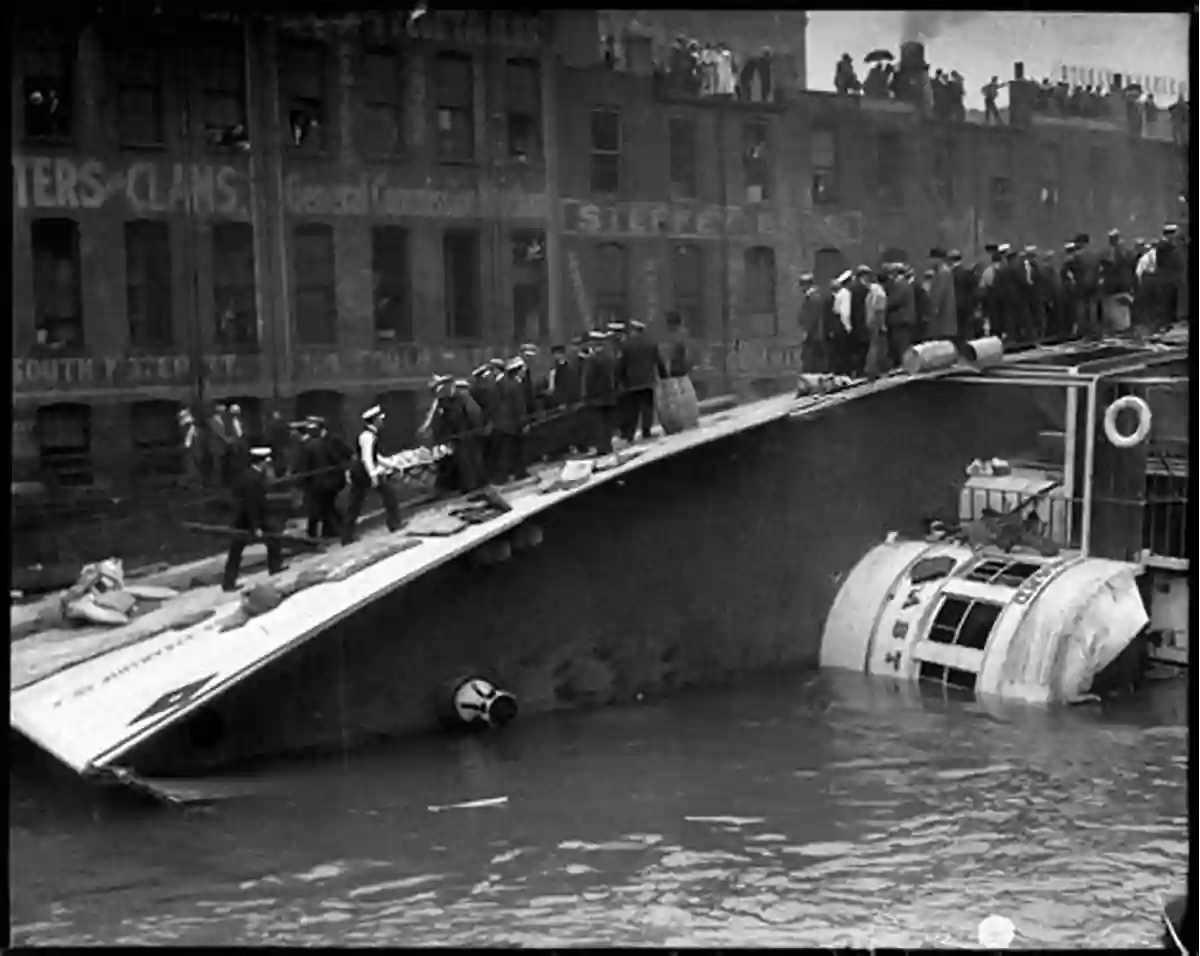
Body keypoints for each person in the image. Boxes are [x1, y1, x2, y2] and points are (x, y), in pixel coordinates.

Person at [221, 446, 284, 592]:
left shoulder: (248, 475)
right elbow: (252, 504)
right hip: (246, 519)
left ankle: (229, 582)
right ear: (262, 462)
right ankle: (229, 582)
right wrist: (255, 526)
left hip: (245, 517)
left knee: (272, 538)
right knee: (237, 550)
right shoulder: (253, 479)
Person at [341, 404, 402, 545]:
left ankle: (347, 536)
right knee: (389, 495)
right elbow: (367, 458)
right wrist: (373, 476)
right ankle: (394, 524)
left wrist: (392, 465)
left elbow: (376, 456)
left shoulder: (369, 435)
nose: (382, 422)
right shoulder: (367, 437)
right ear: (375, 421)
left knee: (356, 504)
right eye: (380, 419)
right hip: (364, 473)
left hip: (362, 472)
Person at [299, 415, 348, 541]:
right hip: (327, 482)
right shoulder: (321, 443)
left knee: (317, 510)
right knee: (326, 508)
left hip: (317, 483)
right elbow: (335, 459)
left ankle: (314, 535)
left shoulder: (309, 445)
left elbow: (304, 466)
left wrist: (302, 483)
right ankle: (333, 531)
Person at [616, 319, 661, 442]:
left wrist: (620, 379)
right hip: (648, 381)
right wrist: (663, 376)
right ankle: (646, 431)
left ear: (634, 330)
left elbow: (621, 364)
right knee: (647, 406)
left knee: (633, 409)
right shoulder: (651, 343)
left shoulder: (626, 345)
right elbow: (658, 360)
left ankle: (631, 433)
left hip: (631, 382)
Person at [926, 247, 958, 344]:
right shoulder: (943, 272)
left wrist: (934, 308)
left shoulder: (942, 273)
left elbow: (939, 293)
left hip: (942, 317)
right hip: (944, 316)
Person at [797, 274, 826, 373]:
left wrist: (807, 332)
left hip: (814, 334)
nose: (800, 288)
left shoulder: (814, 297)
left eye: (802, 285)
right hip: (813, 333)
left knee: (812, 358)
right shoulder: (812, 297)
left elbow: (813, 317)